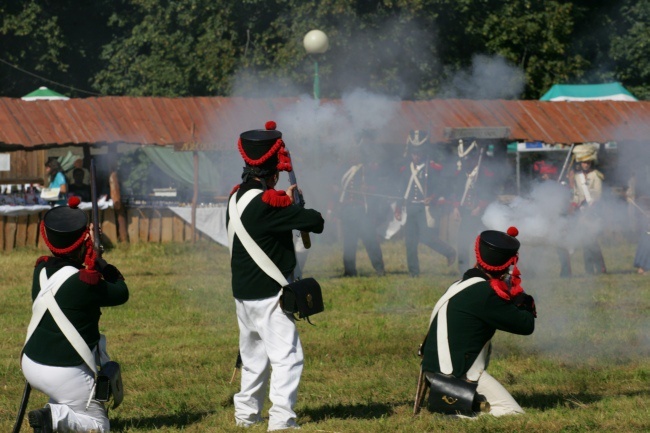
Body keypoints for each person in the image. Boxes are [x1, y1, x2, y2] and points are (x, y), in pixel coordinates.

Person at [226, 120, 324, 431]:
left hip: (243, 293)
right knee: (288, 358)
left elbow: (267, 218)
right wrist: (295, 204)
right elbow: (316, 221)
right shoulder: (270, 204)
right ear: (274, 167)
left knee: (253, 358)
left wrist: (286, 202)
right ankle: (281, 420)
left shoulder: (237, 197)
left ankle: (246, 415)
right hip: (270, 293)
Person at [21, 196, 129, 433]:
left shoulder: (41, 269)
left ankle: (56, 410)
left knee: (71, 399)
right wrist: (100, 262)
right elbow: (121, 292)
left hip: (31, 363)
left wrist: (87, 249)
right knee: (99, 425)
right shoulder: (84, 282)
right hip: (65, 371)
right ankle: (56, 418)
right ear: (83, 242)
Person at [419, 226, 536, 417]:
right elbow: (525, 325)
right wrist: (521, 298)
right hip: (454, 374)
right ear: (508, 264)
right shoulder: (485, 294)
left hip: (434, 367)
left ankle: (468, 406)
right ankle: (456, 415)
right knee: (512, 413)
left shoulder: (462, 284)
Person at [395, 130, 456, 277]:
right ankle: (414, 273)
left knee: (426, 238)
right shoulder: (405, 169)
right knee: (410, 242)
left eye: (419, 153)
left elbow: (442, 185)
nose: (416, 156)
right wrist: (398, 208)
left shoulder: (433, 168)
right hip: (411, 208)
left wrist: (433, 197)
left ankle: (449, 252)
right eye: (414, 153)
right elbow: (401, 190)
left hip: (425, 209)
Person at [338, 137, 386, 277]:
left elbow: (378, 188)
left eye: (356, 153)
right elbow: (336, 188)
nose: (353, 156)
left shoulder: (368, 170)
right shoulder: (343, 169)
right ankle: (349, 271)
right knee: (349, 243)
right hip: (347, 211)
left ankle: (379, 269)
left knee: (370, 240)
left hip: (363, 212)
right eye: (352, 153)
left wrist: (368, 189)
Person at [449, 139, 497, 272]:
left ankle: (488, 269)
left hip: (482, 213)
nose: (465, 162)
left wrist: (479, 206)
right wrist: (455, 207)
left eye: (467, 159)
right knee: (462, 241)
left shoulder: (485, 173)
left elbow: (489, 193)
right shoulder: (462, 173)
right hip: (467, 212)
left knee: (484, 245)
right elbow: (457, 191)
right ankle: (463, 271)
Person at [570, 143, 606, 274]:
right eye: (584, 162)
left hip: (593, 212)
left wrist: (588, 208)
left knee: (592, 242)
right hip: (582, 212)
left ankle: (601, 267)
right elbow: (576, 194)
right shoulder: (577, 177)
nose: (586, 164)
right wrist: (574, 205)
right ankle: (589, 269)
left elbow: (598, 194)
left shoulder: (596, 176)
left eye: (588, 162)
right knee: (585, 242)